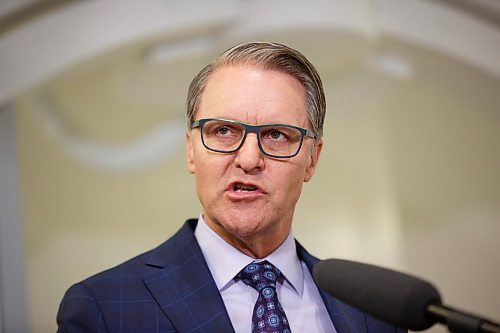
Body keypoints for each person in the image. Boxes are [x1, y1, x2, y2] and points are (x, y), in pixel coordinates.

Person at [57, 42, 405, 333]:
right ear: (191, 149)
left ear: (311, 159)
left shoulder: (374, 314)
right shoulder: (104, 309)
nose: (249, 159)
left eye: (277, 135)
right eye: (224, 130)